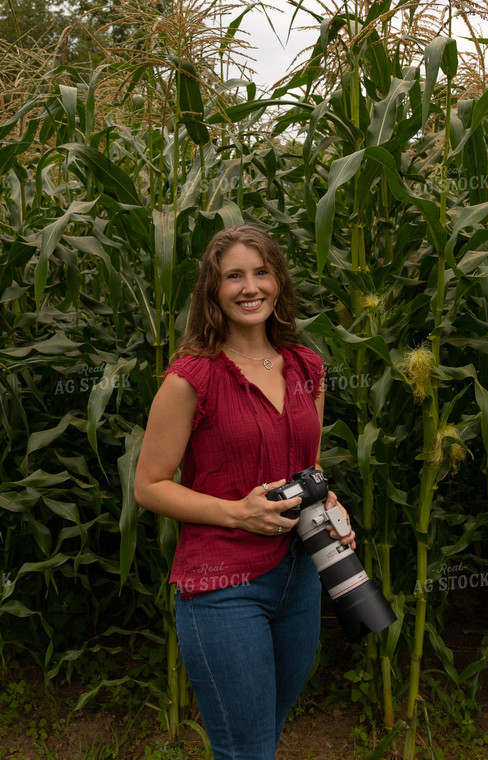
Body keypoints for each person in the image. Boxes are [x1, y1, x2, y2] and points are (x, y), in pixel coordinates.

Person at [134, 224, 356, 760]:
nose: (249, 286)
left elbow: (307, 462)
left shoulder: (307, 366)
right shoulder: (191, 379)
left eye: (261, 272)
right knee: (247, 750)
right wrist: (237, 514)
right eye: (233, 275)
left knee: (261, 738)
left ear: (278, 282)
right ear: (213, 290)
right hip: (222, 587)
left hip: (302, 576)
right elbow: (148, 486)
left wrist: (329, 499)